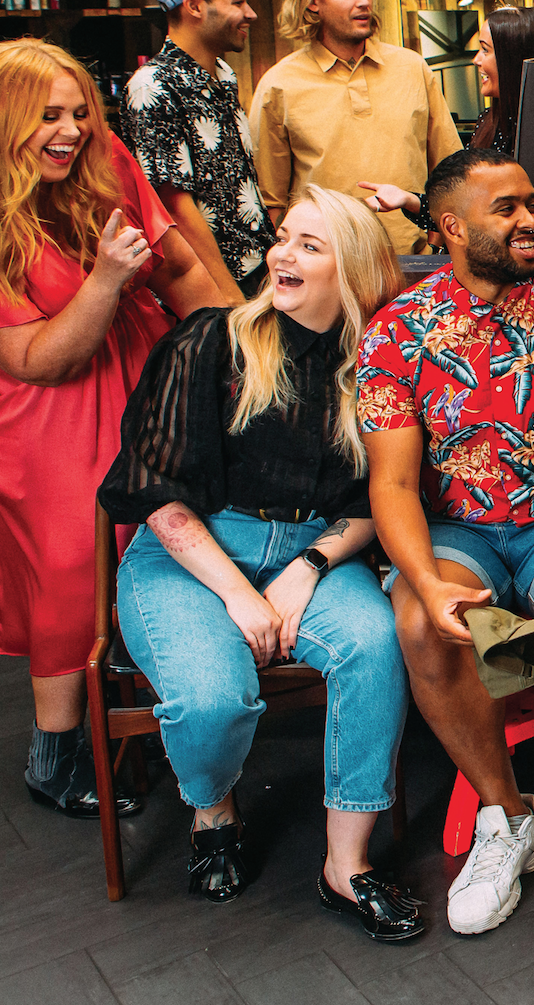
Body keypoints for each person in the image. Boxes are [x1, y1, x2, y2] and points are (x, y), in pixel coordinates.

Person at [0, 38, 228, 820]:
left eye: (81, 110)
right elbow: (37, 358)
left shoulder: (101, 156)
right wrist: (110, 278)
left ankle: (154, 705)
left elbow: (182, 268)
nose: (73, 129)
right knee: (69, 560)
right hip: (28, 397)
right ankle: (55, 751)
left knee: (163, 531)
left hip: (128, 358)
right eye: (47, 117)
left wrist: (239, 350)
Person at [98, 188, 419, 936]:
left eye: (310, 245)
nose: (281, 254)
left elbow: (382, 498)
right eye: (283, 238)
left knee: (377, 647)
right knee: (212, 700)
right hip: (193, 554)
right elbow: (156, 494)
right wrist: (242, 598)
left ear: (356, 269)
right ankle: (214, 812)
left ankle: (347, 865)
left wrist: (308, 566)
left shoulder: (376, 365)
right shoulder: (210, 341)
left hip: (313, 548)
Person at [362, 148, 534, 935]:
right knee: (420, 621)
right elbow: (390, 485)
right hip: (459, 529)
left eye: (531, 203)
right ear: (451, 226)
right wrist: (425, 578)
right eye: (507, 209)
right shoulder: (398, 332)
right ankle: (505, 812)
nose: (531, 220)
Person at [251, 0, 460, 255]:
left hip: (414, 263)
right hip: (329, 266)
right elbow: (272, 201)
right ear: (312, 2)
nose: (363, 2)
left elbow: (450, 170)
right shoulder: (279, 84)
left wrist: (436, 246)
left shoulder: (412, 68)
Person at [119, 0, 275, 299]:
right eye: (238, 2)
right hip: (212, 289)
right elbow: (175, 207)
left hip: (256, 270)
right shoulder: (153, 85)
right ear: (194, 6)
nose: (250, 13)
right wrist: (229, 296)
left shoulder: (223, 75)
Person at [358, 5, 534, 230]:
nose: (476, 60)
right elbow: (467, 210)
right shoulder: (490, 122)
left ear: (513, 59)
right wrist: (408, 200)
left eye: (485, 50)